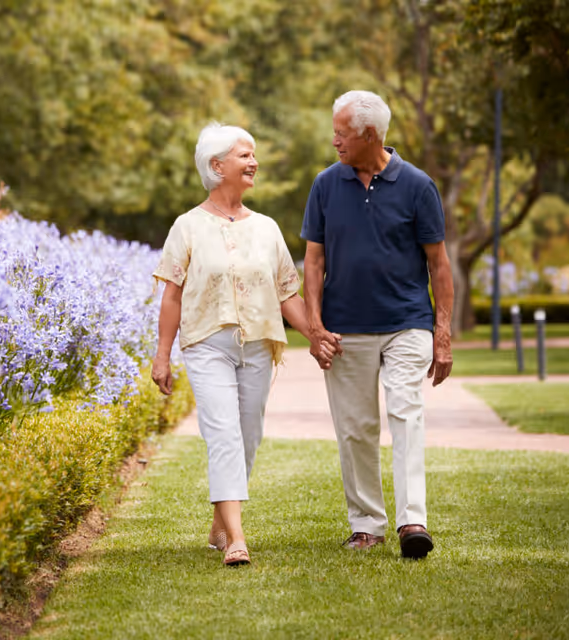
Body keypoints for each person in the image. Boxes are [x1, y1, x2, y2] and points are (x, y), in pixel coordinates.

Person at [151, 122, 338, 567]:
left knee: (248, 435)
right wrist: (162, 355)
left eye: (253, 155)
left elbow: (286, 294)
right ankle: (235, 538)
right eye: (244, 155)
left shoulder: (267, 228)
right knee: (224, 435)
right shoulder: (187, 226)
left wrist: (315, 334)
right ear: (217, 167)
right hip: (206, 344)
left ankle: (220, 521)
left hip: (258, 345)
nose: (254, 162)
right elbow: (172, 295)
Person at [301, 90, 454, 559]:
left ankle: (413, 521)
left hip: (407, 322)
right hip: (346, 328)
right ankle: (366, 525)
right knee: (356, 427)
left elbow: (439, 265)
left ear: (370, 135)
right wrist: (315, 326)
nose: (334, 140)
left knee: (406, 413)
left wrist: (442, 333)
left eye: (342, 132)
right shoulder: (326, 185)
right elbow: (313, 261)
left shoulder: (417, 185)